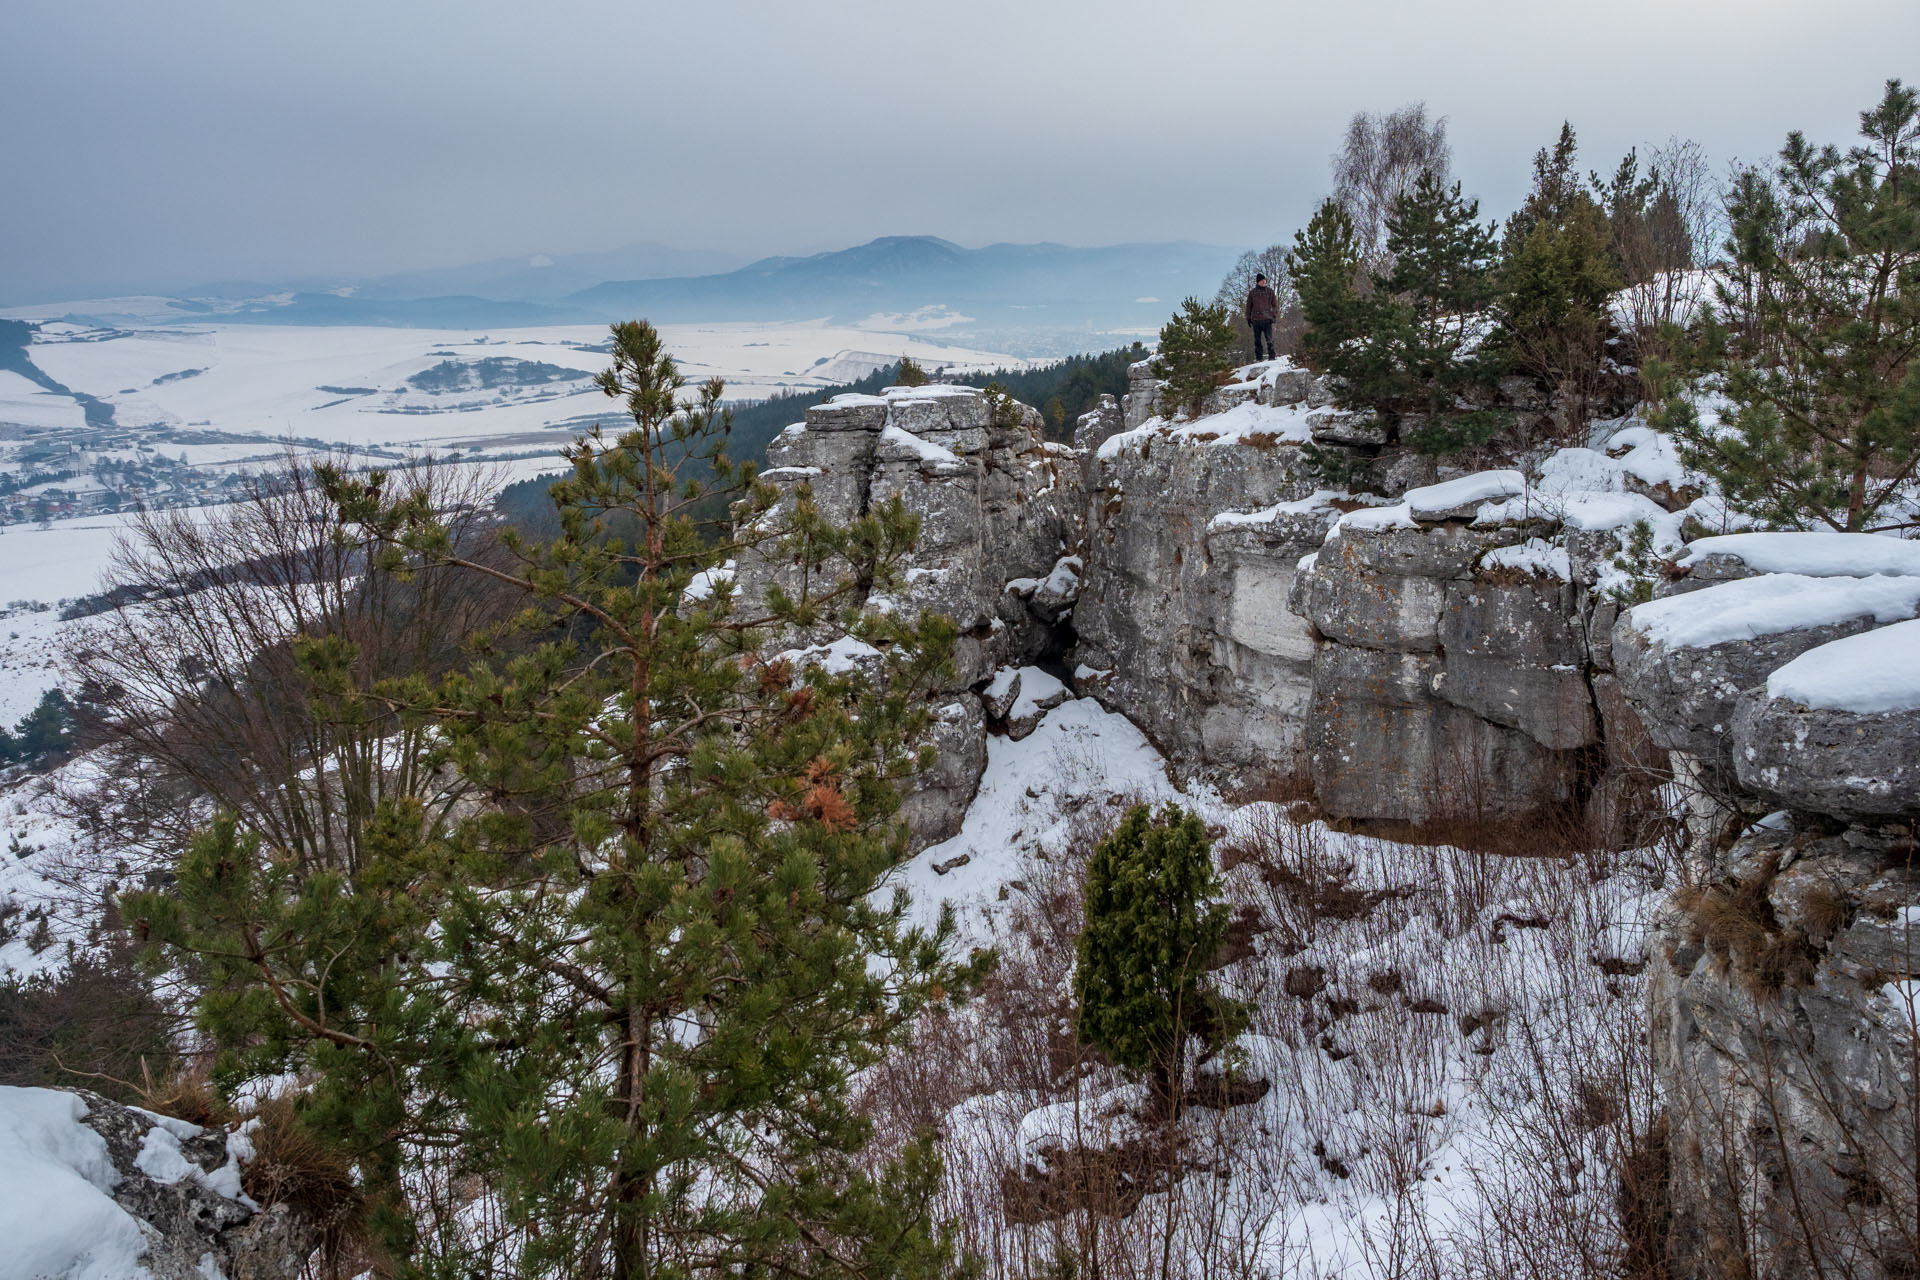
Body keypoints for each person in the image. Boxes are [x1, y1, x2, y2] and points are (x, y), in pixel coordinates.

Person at [1245, 273, 1279, 362]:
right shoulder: (1252, 293)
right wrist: (1248, 318)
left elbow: (1275, 305)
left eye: (1264, 280)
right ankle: (1259, 358)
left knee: (1270, 340)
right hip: (1256, 320)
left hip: (1267, 320)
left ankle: (1272, 357)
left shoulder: (1270, 291)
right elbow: (1248, 306)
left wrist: (1274, 315)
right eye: (1262, 280)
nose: (1264, 281)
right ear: (1258, 282)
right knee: (1257, 341)